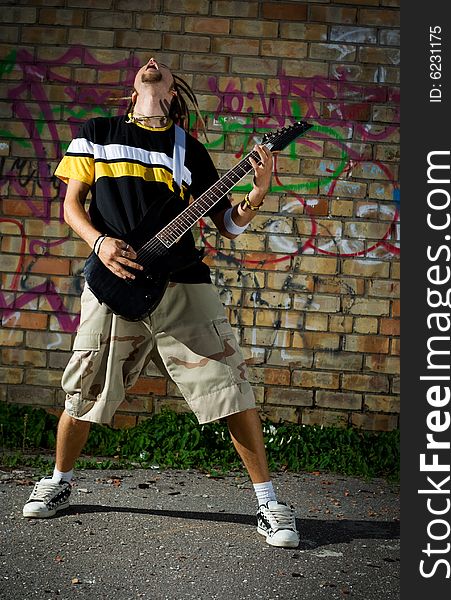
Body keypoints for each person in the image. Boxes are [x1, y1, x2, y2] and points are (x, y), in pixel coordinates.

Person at [22, 58, 299, 548]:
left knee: (230, 387)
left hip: (183, 284)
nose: (152, 64)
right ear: (134, 86)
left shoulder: (188, 151)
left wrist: (257, 192)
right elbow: (71, 206)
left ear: (172, 90)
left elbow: (227, 226)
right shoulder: (97, 133)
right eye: (146, 65)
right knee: (84, 388)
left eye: (163, 67)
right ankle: (59, 482)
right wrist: (99, 243)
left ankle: (269, 503)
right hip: (113, 279)